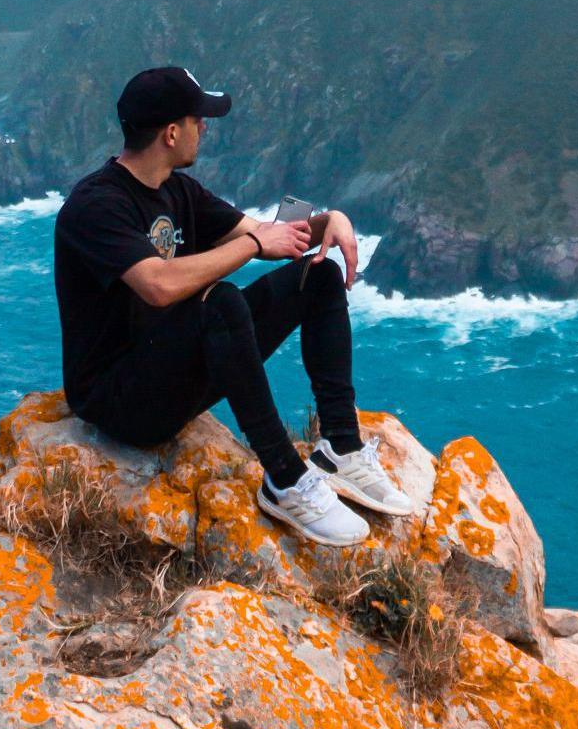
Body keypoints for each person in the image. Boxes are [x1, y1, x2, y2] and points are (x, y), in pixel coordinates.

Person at [51, 65, 415, 545]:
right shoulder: (96, 205)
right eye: (198, 118)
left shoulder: (178, 190)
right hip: (120, 402)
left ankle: (340, 448)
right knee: (220, 302)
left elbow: (268, 234)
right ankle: (284, 479)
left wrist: (331, 221)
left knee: (319, 276)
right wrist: (250, 249)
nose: (205, 128)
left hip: (174, 372)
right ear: (171, 132)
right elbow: (157, 285)